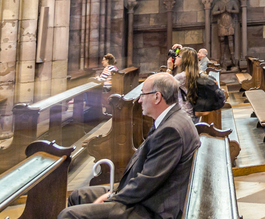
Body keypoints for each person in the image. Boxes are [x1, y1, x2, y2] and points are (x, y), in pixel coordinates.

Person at [58, 73, 199, 219]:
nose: (139, 100)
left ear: (157, 97)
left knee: (68, 215)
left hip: (154, 208)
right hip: (149, 195)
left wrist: (113, 198)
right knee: (78, 196)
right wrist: (116, 192)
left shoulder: (171, 130)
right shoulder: (170, 119)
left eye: (143, 94)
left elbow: (148, 181)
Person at [172, 48, 201, 119]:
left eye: (178, 56)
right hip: (191, 114)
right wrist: (179, 49)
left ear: (184, 60)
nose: (176, 57)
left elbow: (163, 86)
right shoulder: (193, 73)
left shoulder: (181, 76)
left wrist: (169, 68)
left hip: (184, 115)